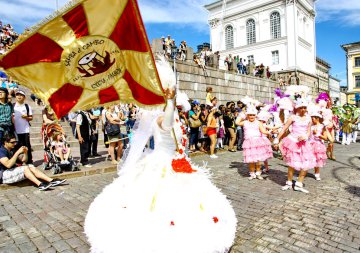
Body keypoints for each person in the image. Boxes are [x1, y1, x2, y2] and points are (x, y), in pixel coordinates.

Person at [84, 88, 237, 253]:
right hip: (160, 162)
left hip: (178, 161)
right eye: (171, 101)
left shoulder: (175, 116)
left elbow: (178, 129)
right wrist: (170, 103)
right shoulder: (160, 119)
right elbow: (167, 123)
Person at [0, 133, 66, 190]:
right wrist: (17, 153)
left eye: (15, 142)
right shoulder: (1, 151)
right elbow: (8, 165)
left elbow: (24, 160)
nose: (15, 144)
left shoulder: (12, 149)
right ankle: (40, 184)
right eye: (12, 142)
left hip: (11, 171)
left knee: (30, 166)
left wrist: (25, 153)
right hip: (3, 175)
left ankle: (51, 180)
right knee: (25, 168)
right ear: (6, 143)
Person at [278, 99, 316, 193]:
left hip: (304, 144)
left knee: (306, 164)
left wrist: (306, 136)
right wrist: (277, 138)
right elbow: (284, 129)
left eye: (304, 107)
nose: (303, 109)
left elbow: (308, 131)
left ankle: (299, 184)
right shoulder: (293, 118)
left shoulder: (309, 118)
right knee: (292, 164)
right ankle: (289, 183)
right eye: (301, 108)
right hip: (293, 142)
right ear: (297, 108)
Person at [236, 107, 273, 180]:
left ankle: (258, 173)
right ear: (247, 116)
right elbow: (237, 122)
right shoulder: (245, 122)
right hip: (249, 143)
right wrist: (242, 114)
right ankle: (252, 173)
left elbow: (263, 131)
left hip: (257, 142)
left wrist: (268, 132)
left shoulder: (259, 123)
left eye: (253, 115)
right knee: (251, 160)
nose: (252, 116)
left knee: (258, 160)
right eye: (250, 115)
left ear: (256, 115)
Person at [310, 112, 333, 181]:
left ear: (317, 119)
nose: (312, 120)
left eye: (313, 118)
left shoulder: (322, 127)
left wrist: (317, 134)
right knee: (307, 159)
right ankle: (303, 173)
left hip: (318, 145)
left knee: (317, 159)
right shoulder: (311, 126)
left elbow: (325, 138)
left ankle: (317, 174)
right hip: (309, 144)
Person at [13, 90, 33, 164]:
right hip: (15, 130)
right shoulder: (12, 106)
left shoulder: (27, 106)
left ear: (24, 97)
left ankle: (29, 161)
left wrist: (26, 117)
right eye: (17, 95)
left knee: (27, 146)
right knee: (16, 147)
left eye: (21, 95)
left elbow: (31, 117)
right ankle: (18, 162)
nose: (19, 96)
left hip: (25, 130)